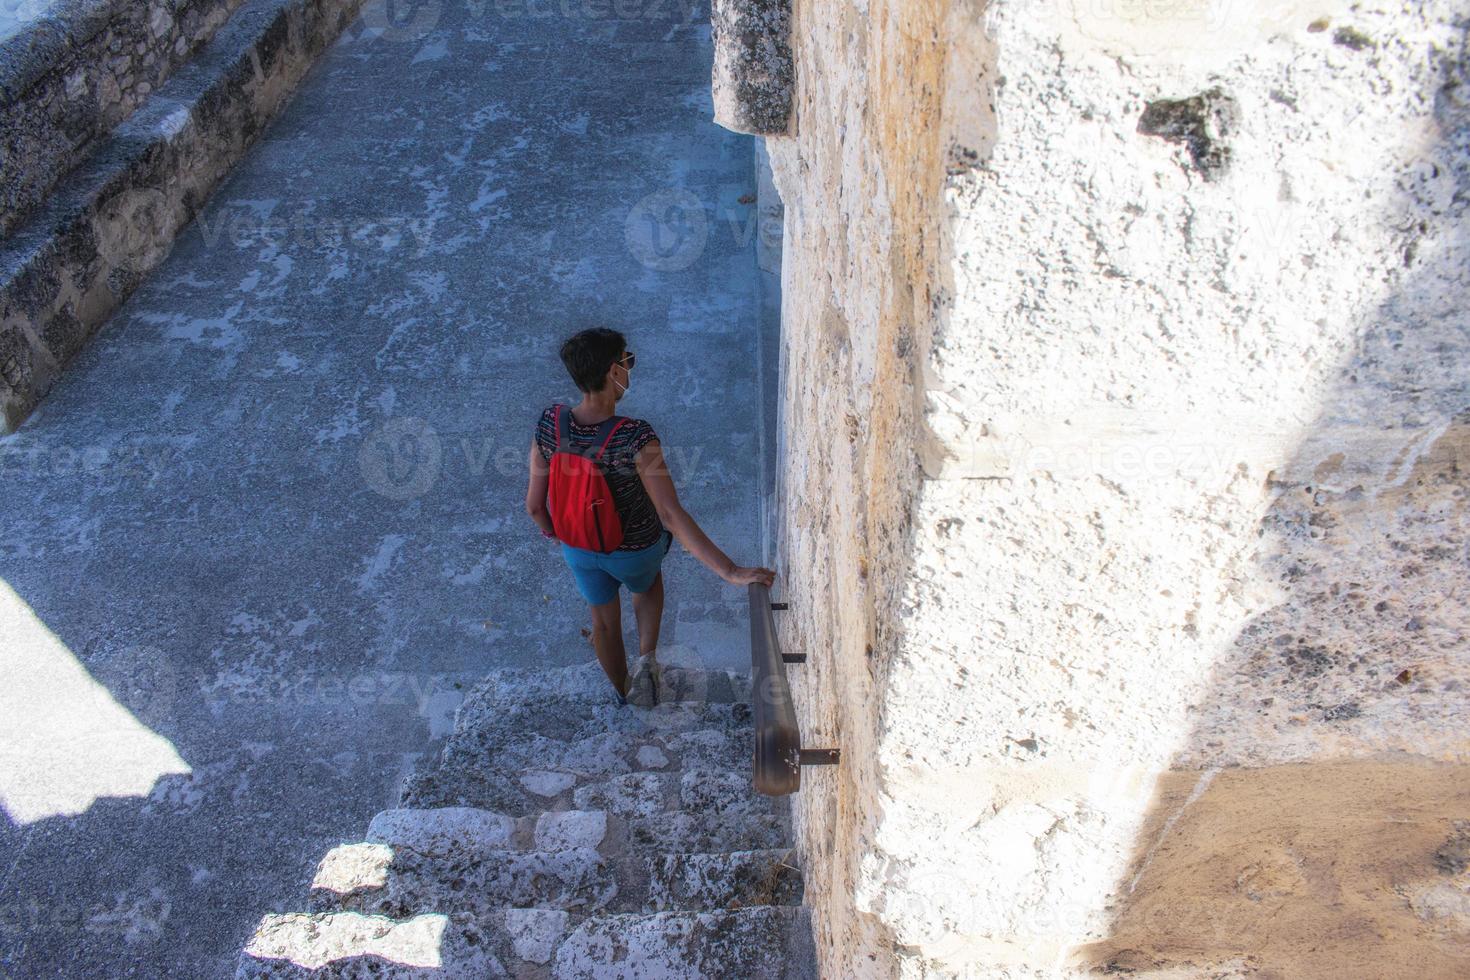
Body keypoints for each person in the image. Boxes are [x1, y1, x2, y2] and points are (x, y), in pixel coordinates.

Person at [525, 327, 776, 702]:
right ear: (614, 371)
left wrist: (560, 536)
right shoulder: (635, 436)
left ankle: (626, 694)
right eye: (629, 360)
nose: (630, 368)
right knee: (647, 584)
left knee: (604, 625)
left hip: (578, 549)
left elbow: (533, 507)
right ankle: (647, 660)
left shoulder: (549, 423)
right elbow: (670, 513)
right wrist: (730, 571)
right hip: (636, 549)